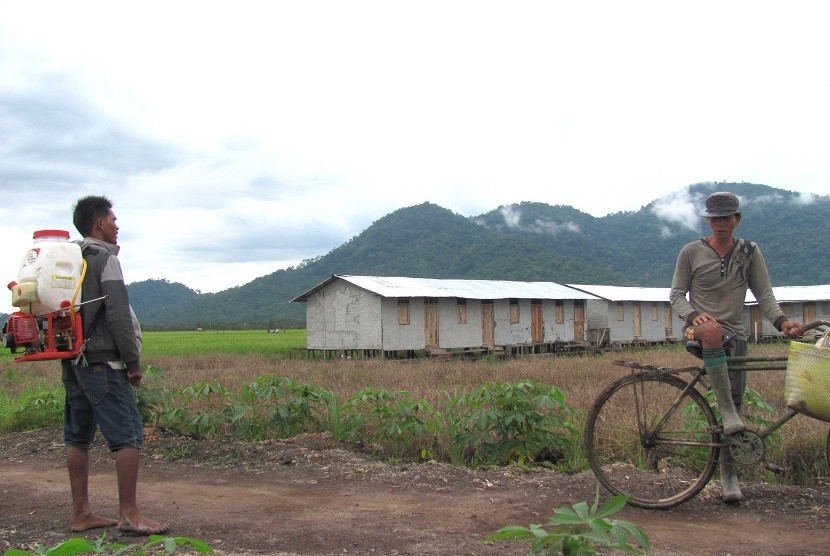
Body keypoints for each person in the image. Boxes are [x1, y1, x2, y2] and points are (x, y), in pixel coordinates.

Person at [670, 191, 801, 504]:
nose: (720, 224)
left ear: (736, 219)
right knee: (712, 330)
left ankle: (729, 477)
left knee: (738, 401)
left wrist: (782, 322)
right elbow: (676, 295)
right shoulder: (691, 252)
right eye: (714, 219)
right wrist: (692, 314)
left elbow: (764, 295)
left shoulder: (749, 252)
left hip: (736, 336)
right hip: (698, 330)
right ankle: (726, 412)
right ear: (708, 221)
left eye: (726, 218)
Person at [61, 195, 168, 535]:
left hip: (73, 360)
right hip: (104, 362)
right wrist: (133, 361)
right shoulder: (105, 259)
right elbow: (119, 314)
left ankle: (82, 514)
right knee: (128, 436)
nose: (117, 225)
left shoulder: (67, 261)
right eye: (113, 219)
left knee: (77, 437)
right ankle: (129, 514)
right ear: (99, 224)